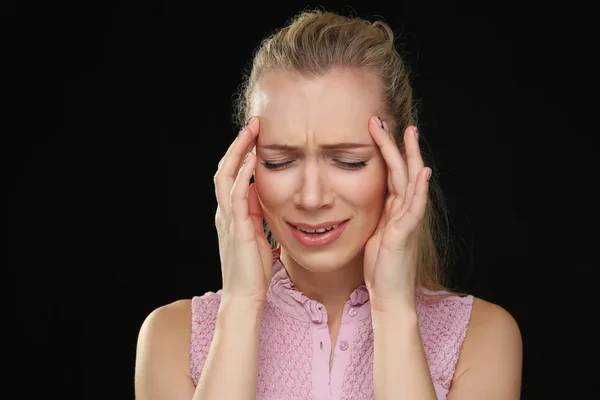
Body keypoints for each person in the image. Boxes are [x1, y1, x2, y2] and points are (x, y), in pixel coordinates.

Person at [134, 9, 522, 400]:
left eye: (349, 161)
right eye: (279, 161)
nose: (311, 197)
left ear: (399, 164)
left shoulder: (479, 336)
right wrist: (240, 307)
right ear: (245, 165)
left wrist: (393, 311)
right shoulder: (173, 337)